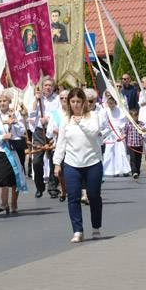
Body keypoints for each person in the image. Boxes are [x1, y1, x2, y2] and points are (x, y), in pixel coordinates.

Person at [53, 88, 104, 243]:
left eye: (78, 102)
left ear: (83, 103)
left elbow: (94, 132)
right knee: (73, 197)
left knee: (93, 196)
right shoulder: (65, 120)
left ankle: (96, 227)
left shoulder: (92, 116)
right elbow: (61, 142)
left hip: (92, 162)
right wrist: (57, 163)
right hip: (72, 163)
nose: (75, 105)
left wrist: (80, 121)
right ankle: (77, 231)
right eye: (73, 102)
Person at [0, 92, 28, 214]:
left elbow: (22, 132)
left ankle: (14, 203)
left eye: (5, 100)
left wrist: (14, 122)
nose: (2, 103)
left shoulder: (15, 114)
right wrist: (3, 137)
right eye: (0, 101)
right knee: (3, 177)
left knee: (15, 176)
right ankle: (4, 203)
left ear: (9, 102)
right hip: (1, 150)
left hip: (15, 149)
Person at [29, 77, 61, 198]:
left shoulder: (57, 99)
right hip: (39, 132)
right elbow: (31, 114)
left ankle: (53, 187)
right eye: (45, 85)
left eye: (50, 85)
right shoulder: (38, 98)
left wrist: (48, 119)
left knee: (54, 159)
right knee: (37, 161)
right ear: (42, 87)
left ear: (53, 87)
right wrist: (36, 101)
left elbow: (59, 113)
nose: (47, 87)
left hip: (52, 131)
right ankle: (39, 186)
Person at [101, 93, 130, 177]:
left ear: (115, 103)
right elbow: (104, 123)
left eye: (112, 103)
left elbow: (124, 121)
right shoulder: (106, 111)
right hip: (110, 133)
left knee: (121, 152)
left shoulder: (120, 110)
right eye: (109, 103)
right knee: (110, 152)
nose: (110, 105)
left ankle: (124, 170)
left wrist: (122, 130)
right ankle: (112, 170)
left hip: (119, 133)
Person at [124, 108, 146, 179]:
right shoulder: (128, 124)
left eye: (136, 116)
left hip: (139, 144)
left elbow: (144, 130)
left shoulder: (141, 123)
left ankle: (138, 171)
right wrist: (121, 138)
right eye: (132, 117)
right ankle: (134, 172)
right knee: (133, 159)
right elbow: (125, 133)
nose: (134, 118)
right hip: (131, 145)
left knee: (138, 159)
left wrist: (143, 129)